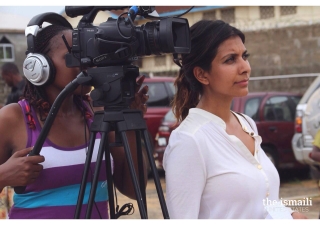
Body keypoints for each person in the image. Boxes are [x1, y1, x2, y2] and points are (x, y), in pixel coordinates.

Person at [0, 24, 149, 219]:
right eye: (74, 55)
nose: (86, 63)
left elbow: (133, 189)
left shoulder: (98, 115)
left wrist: (130, 123)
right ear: (40, 64)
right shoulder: (13, 118)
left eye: (88, 55)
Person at [163, 20, 307, 219]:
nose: (245, 67)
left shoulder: (247, 123)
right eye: (230, 59)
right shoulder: (190, 140)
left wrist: (289, 215)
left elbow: (261, 203)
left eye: (244, 56)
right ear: (202, 74)